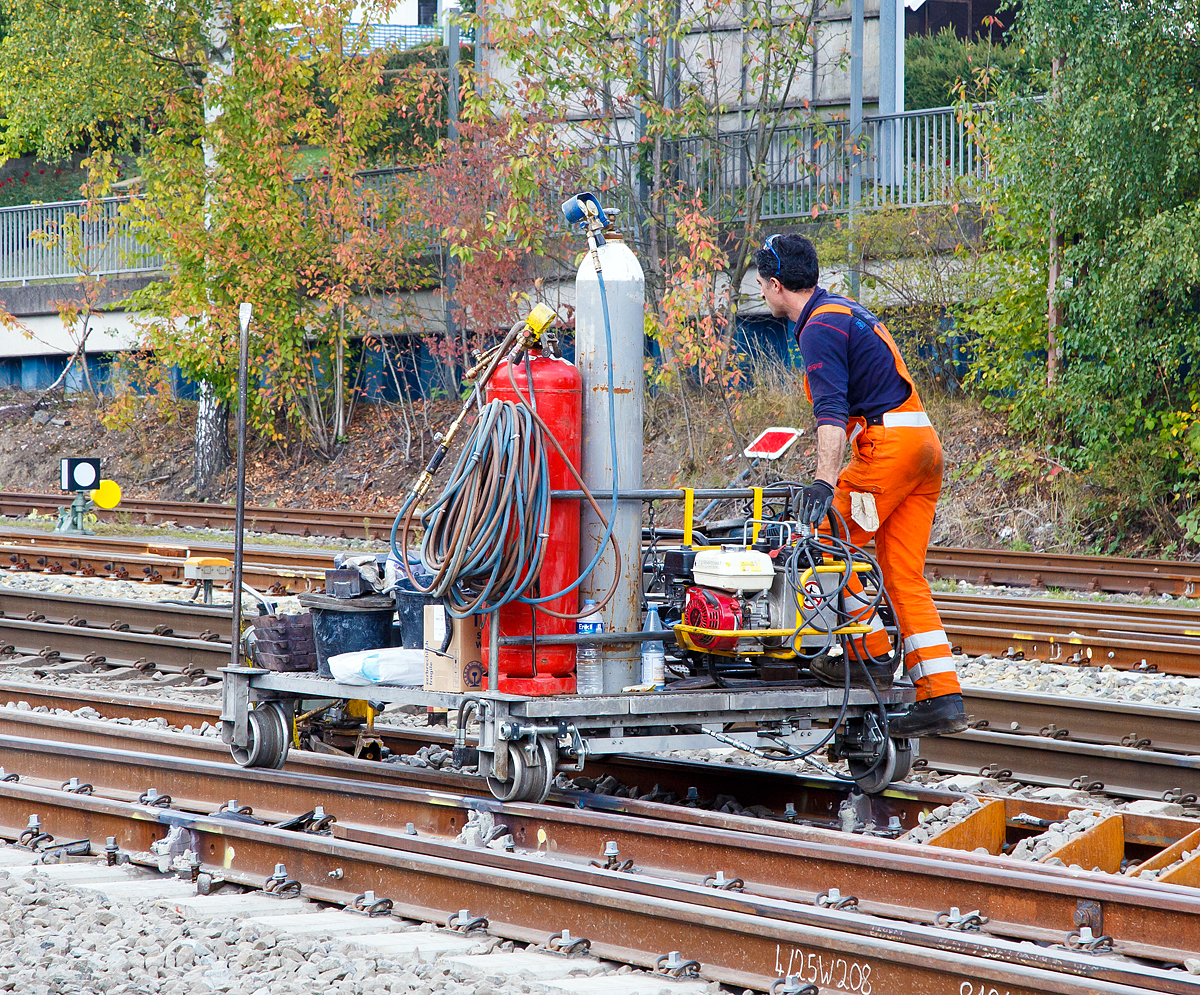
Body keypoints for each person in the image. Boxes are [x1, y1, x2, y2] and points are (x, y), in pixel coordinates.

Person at [755, 232, 967, 737]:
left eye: (762, 286)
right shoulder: (846, 310)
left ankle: (869, 655)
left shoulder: (817, 329)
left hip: (889, 448)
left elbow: (830, 414)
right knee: (903, 573)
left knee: (826, 543)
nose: (762, 295)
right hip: (923, 446)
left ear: (778, 285)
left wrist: (824, 484)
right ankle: (942, 697)